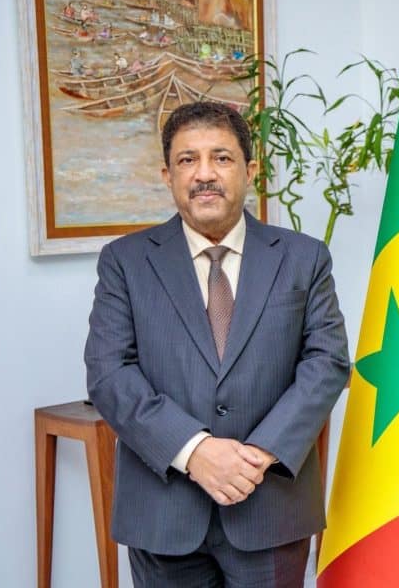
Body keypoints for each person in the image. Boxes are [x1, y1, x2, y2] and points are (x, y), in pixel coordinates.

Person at [85, 101, 349, 587]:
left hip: (269, 506)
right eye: (187, 160)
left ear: (251, 170)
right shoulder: (124, 261)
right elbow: (109, 373)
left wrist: (258, 456)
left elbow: (327, 363)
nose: (204, 174)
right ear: (167, 175)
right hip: (163, 512)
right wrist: (195, 451)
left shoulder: (304, 257)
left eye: (221, 158)